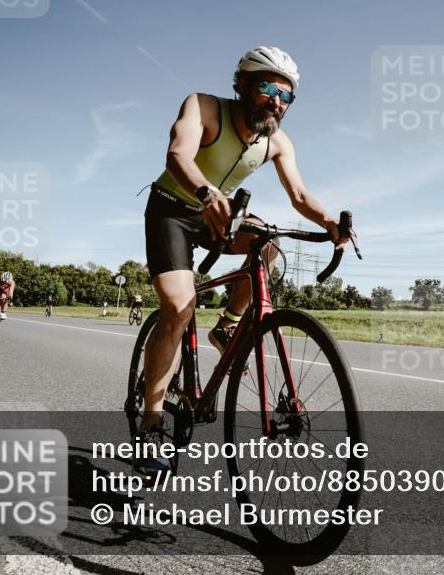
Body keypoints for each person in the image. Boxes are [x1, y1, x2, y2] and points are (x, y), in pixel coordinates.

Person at [135, 46, 348, 475]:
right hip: (173, 208)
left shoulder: (276, 142)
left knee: (267, 245)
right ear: (243, 85)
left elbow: (301, 197)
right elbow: (177, 155)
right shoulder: (204, 106)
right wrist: (207, 193)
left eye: (286, 96)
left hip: (222, 215)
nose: (277, 101)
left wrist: (329, 222)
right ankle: (152, 419)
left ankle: (229, 326)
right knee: (178, 306)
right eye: (267, 89)